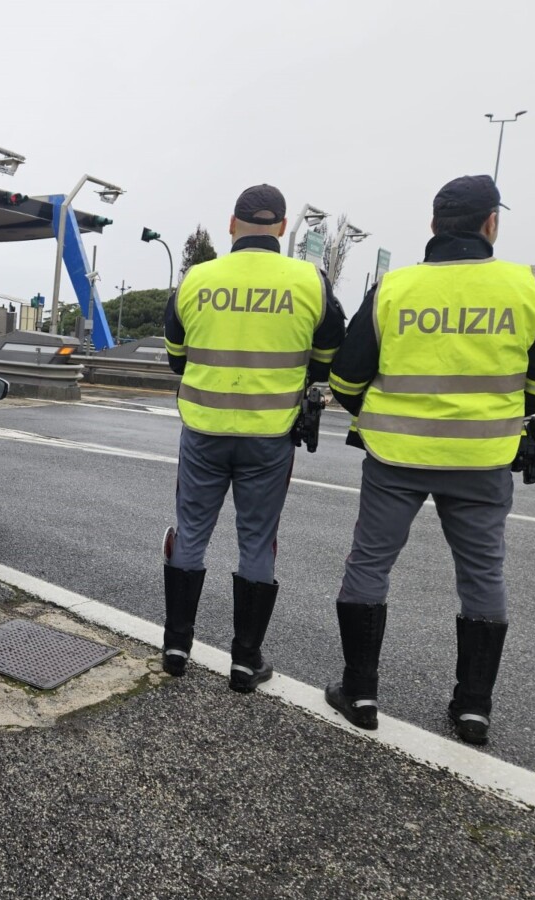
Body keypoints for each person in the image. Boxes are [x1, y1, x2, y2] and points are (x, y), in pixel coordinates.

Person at [324, 175, 535, 744]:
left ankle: (359, 692)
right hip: (483, 457)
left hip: (394, 453)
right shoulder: (525, 285)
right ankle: (473, 708)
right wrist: (500, 414)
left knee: (369, 565)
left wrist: (381, 414)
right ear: (491, 223)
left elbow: (346, 377)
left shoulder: (394, 288)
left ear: (433, 225)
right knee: (483, 574)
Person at [162, 184, 346, 692]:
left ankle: (176, 647)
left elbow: (177, 354)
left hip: (203, 429)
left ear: (231, 224)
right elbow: (329, 353)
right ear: (283, 227)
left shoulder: (197, 278)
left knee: (191, 532)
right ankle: (245, 663)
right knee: (257, 541)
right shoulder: (310, 279)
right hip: (269, 434)